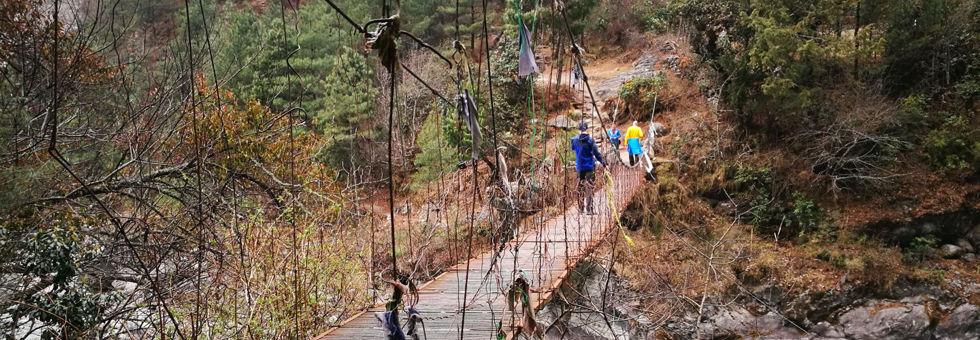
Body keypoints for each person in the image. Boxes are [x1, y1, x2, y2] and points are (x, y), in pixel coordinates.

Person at [571, 121, 607, 215]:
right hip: (590, 166)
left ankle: (580, 208)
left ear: (578, 129)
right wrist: (604, 164)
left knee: (580, 187)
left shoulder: (574, 140)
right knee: (590, 187)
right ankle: (589, 209)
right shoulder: (591, 140)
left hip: (580, 167)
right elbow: (596, 154)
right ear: (587, 129)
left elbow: (573, 148)